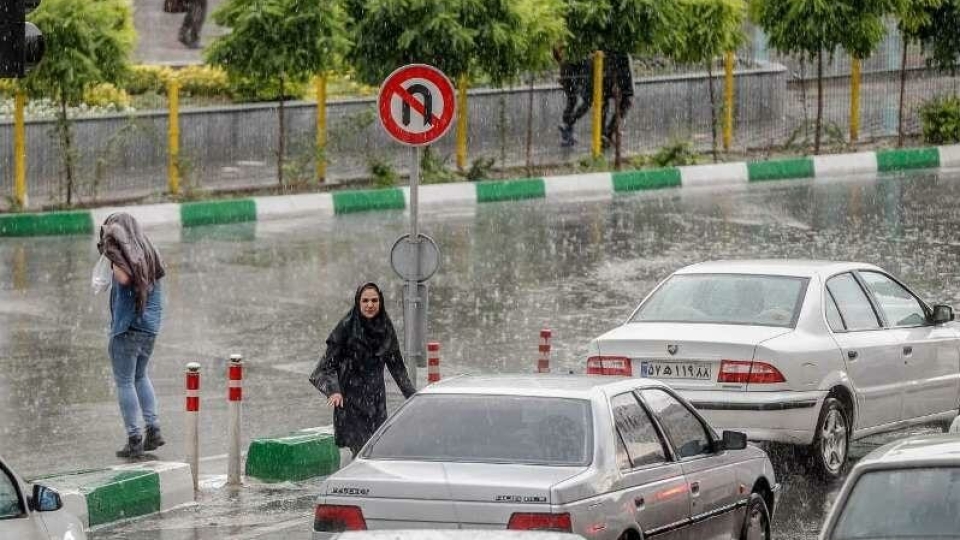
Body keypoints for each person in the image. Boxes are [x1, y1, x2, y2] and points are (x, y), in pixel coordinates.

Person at [309, 282, 417, 457]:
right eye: (365, 300)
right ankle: (356, 483)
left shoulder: (385, 328)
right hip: (350, 402)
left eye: (374, 300)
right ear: (358, 303)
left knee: (377, 450)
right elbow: (325, 367)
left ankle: (362, 481)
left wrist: (414, 398)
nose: (370, 305)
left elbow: (398, 370)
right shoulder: (346, 327)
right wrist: (333, 391)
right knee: (364, 451)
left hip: (376, 402)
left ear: (380, 302)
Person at [97, 213, 166, 459]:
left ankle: (134, 437)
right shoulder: (148, 249)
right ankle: (153, 428)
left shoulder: (125, 254)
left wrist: (112, 257)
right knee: (140, 376)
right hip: (150, 328)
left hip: (128, 328)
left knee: (125, 381)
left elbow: (124, 278)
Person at [555, 46, 593, 148]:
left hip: (570, 70)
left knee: (573, 100)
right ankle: (567, 128)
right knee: (579, 101)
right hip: (573, 70)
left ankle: (567, 131)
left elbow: (557, 53)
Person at [601, 50, 635, 150]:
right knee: (626, 100)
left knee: (604, 102)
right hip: (617, 71)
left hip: (613, 69)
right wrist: (615, 82)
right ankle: (606, 133)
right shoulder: (619, 53)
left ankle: (605, 134)